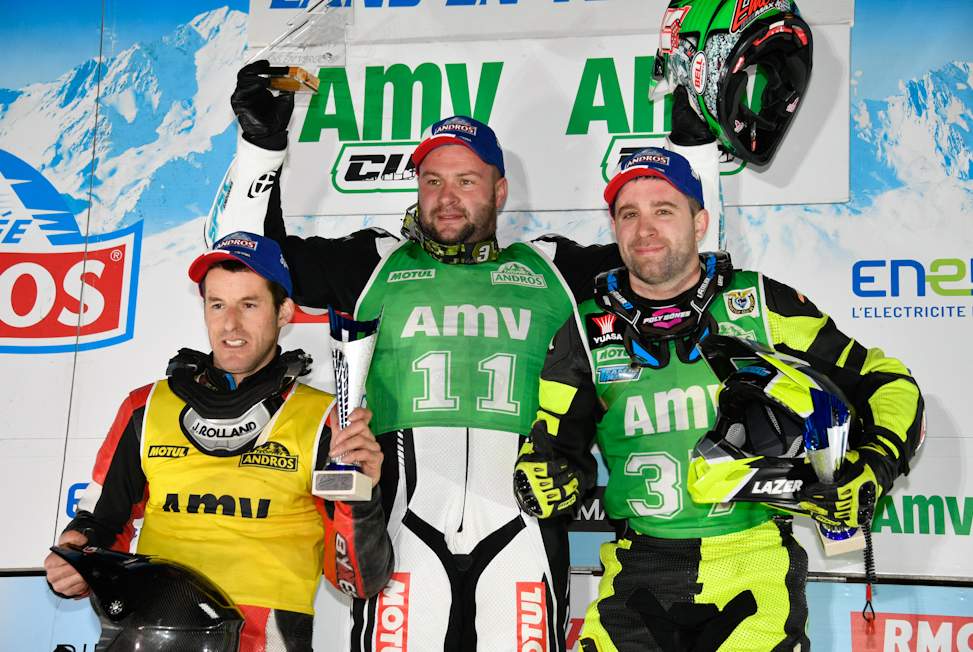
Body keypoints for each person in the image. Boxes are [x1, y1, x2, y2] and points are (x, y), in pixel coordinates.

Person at [208, 59, 654, 650]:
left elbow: (671, 263)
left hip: (521, 526)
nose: (447, 198)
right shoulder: (374, 261)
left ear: (499, 191)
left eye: (466, 181)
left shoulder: (553, 267)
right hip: (403, 526)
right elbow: (246, 258)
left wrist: (696, 145)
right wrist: (261, 148)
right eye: (433, 181)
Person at [513, 147, 924, 651]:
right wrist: (547, 476)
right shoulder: (584, 328)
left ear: (700, 222)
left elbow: (887, 381)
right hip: (637, 573)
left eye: (664, 210)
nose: (645, 229)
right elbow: (558, 452)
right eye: (629, 214)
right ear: (614, 227)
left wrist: (875, 464)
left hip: (756, 567)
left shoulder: (762, 306)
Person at [43, 231, 394, 652]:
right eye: (217, 305)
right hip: (150, 638)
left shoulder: (329, 421)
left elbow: (358, 582)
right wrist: (76, 558)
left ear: (284, 312)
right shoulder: (146, 406)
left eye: (249, 305)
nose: (231, 325)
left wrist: (361, 495)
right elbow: (101, 525)